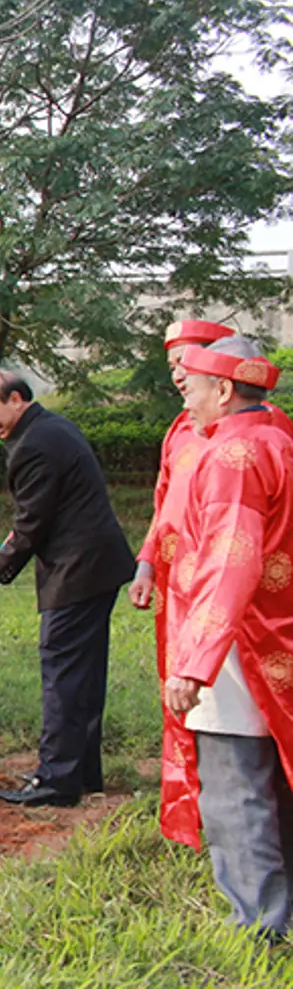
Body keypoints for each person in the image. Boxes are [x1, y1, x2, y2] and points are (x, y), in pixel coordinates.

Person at [161, 336, 293, 940]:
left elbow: (228, 562)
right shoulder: (279, 437)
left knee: (235, 785)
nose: (184, 393)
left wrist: (193, 663)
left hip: (239, 643)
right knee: (275, 772)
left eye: (191, 383)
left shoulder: (232, 456)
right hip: (277, 633)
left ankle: (260, 925)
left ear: (223, 389)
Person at [0, 371, 135, 807]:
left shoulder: (35, 444)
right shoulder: (52, 428)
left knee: (62, 671)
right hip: (96, 567)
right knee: (83, 673)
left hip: (78, 569)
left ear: (18, 399)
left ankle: (56, 780)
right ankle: (80, 772)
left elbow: (29, 528)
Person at [129, 320, 252, 842]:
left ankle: (240, 828)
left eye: (188, 362)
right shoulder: (180, 432)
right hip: (181, 592)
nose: (178, 374)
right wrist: (148, 563)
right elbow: (164, 505)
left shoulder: (248, 440)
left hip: (231, 596)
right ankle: (191, 816)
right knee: (183, 703)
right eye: (173, 362)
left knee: (236, 714)